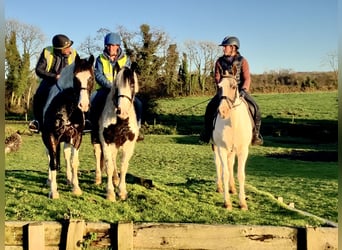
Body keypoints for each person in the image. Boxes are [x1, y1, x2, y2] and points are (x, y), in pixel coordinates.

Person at [200, 36, 263, 146]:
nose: (223, 49)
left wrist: (244, 89)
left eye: (225, 47)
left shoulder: (243, 61)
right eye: (224, 47)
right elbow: (217, 77)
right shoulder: (219, 61)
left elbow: (247, 77)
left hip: (240, 91)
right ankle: (207, 134)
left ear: (233, 47)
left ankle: (255, 135)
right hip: (224, 91)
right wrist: (222, 89)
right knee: (210, 107)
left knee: (255, 107)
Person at [90, 32, 143, 142]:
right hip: (105, 89)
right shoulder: (100, 59)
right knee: (93, 100)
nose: (111, 48)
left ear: (118, 46)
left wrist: (119, 87)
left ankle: (137, 128)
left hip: (122, 90)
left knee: (138, 103)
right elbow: (98, 74)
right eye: (109, 45)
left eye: (113, 45)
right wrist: (110, 86)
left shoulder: (125, 59)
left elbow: (127, 75)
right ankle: (94, 128)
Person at [29, 34, 77, 133]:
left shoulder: (74, 53)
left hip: (67, 83)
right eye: (66, 48)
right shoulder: (47, 52)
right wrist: (54, 77)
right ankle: (37, 121)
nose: (70, 50)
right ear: (59, 49)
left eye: (69, 46)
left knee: (81, 95)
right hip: (50, 81)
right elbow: (39, 70)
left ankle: (83, 121)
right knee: (38, 95)